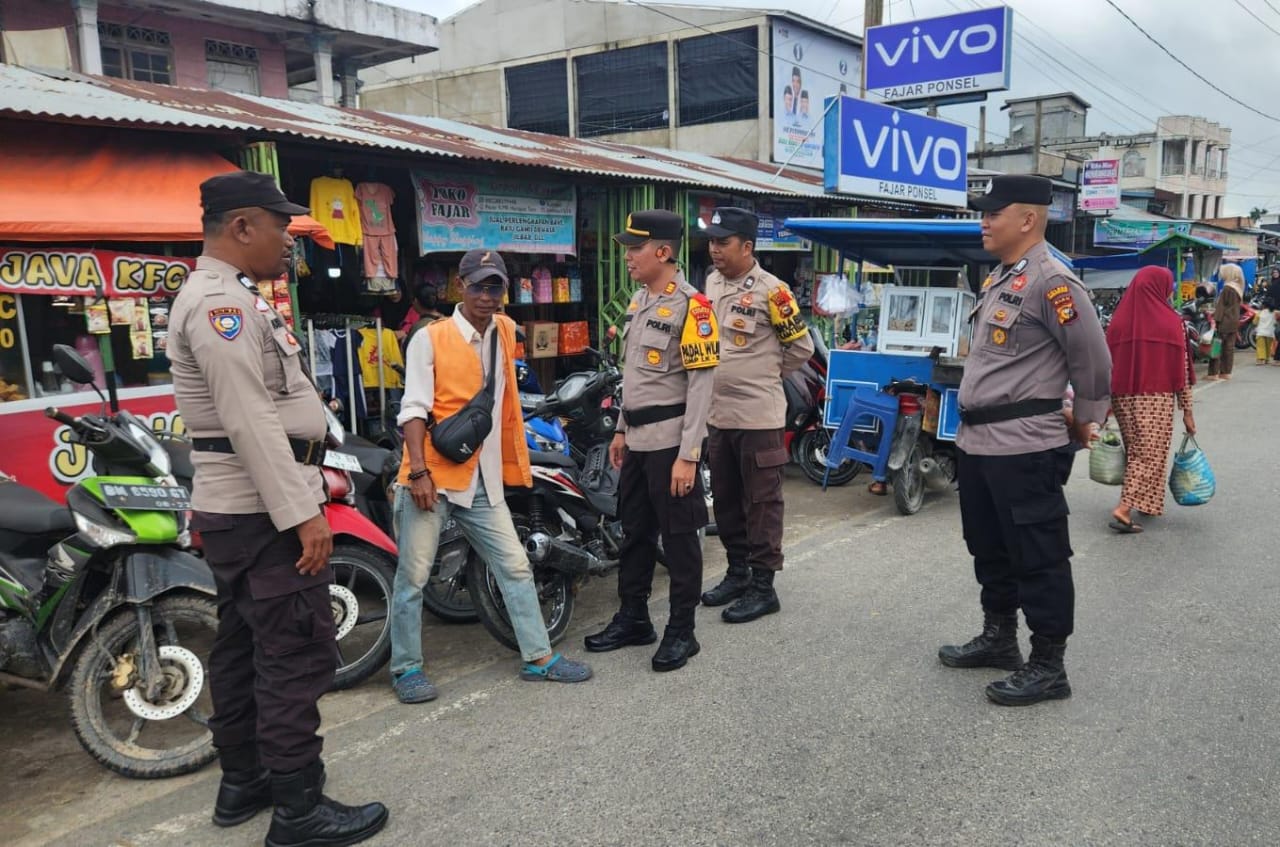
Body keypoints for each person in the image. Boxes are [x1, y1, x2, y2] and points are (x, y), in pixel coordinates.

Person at [168, 171, 387, 846]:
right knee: (291, 650)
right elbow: (250, 420)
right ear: (241, 227)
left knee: (241, 646)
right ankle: (299, 810)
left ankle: (247, 783)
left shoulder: (227, 296)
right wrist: (303, 513)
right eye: (279, 227)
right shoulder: (217, 306)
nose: (288, 241)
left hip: (240, 509)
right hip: (263, 510)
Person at [939, 174, 1112, 707]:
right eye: (982, 213)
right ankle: (999, 638)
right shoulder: (1001, 278)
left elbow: (1093, 361)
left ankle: (1048, 664)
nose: (983, 221)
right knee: (988, 547)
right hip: (977, 443)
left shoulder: (1053, 282)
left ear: (1029, 219)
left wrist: (1086, 420)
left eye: (993, 212)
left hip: (1025, 445)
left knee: (1038, 555)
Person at [390, 248, 592, 703]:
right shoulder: (431, 337)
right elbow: (414, 410)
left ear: (505, 290)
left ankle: (538, 658)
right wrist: (419, 473)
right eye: (478, 285)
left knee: (515, 566)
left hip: (482, 477)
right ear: (459, 286)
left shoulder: (504, 330)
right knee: (414, 577)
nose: (486, 294)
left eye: (494, 286)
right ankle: (406, 668)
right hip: (433, 476)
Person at [584, 210, 718, 671]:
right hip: (638, 440)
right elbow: (634, 378)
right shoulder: (639, 302)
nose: (627, 257)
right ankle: (634, 617)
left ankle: (682, 630)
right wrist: (621, 429)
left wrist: (689, 456)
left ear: (663, 251)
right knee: (635, 531)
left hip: (671, 444)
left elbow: (702, 388)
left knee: (679, 538)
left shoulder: (694, 307)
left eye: (634, 248)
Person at [698, 207, 814, 623]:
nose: (714, 249)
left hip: (759, 417)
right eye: (712, 241)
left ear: (747, 247)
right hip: (719, 415)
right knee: (726, 501)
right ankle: (737, 573)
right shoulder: (710, 282)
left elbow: (801, 350)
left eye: (723, 242)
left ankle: (764, 587)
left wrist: (761, 374)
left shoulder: (773, 291)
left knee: (762, 502)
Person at [1104, 267, 1197, 533]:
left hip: (1122, 397)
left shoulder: (1118, 322)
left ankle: (1147, 503)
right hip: (1155, 397)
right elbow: (1181, 371)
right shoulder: (1171, 322)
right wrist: (1187, 411)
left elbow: (1107, 364)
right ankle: (1124, 509)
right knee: (1149, 455)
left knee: (1137, 451)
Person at [1208, 264, 1245, 380]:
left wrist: (1215, 321)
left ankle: (1213, 373)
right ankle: (1226, 372)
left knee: (1216, 346)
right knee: (1229, 348)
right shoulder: (1238, 288)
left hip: (1224, 321)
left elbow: (1221, 307)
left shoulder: (1227, 288)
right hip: (1233, 321)